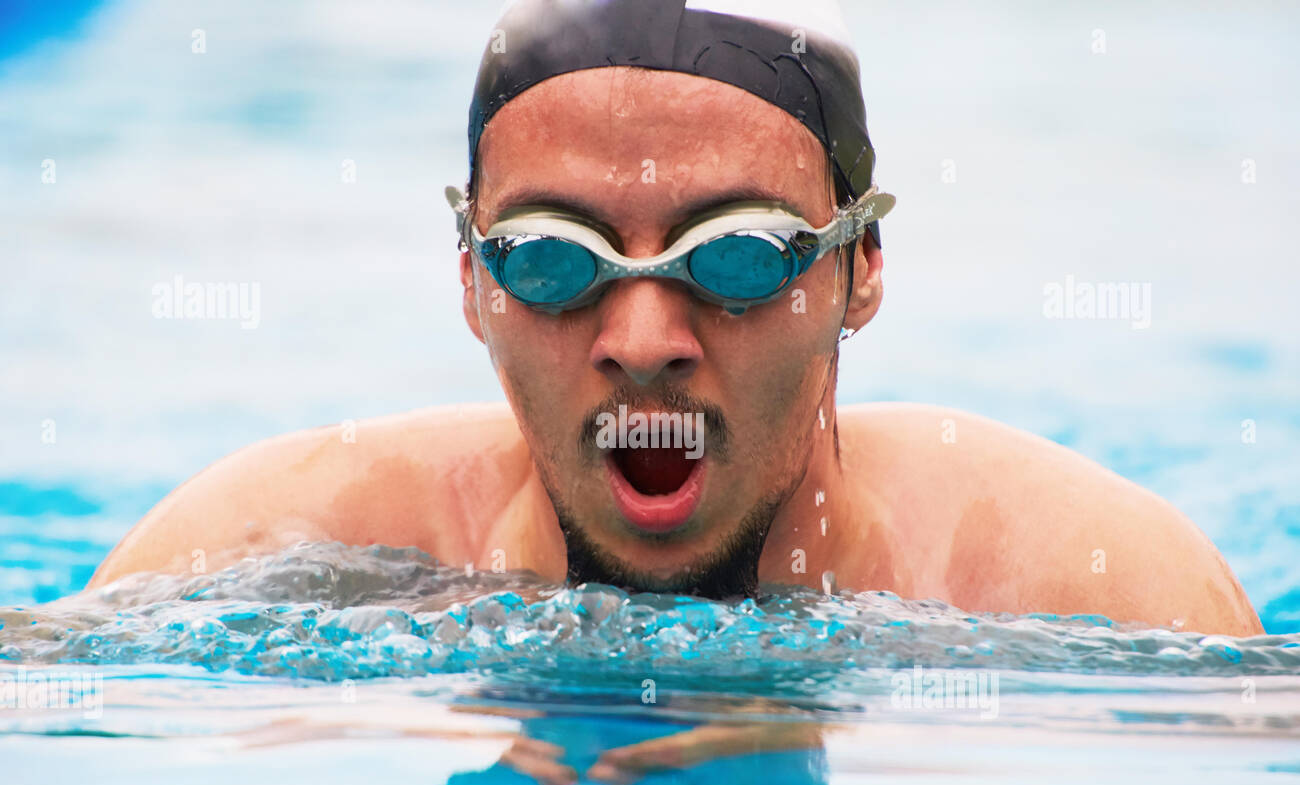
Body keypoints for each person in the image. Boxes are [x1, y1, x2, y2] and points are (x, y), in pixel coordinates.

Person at [88, 0, 1262, 637]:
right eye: (551, 258)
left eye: (738, 256)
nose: (644, 339)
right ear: (469, 283)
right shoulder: (260, 549)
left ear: (861, 272)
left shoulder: (1092, 591)